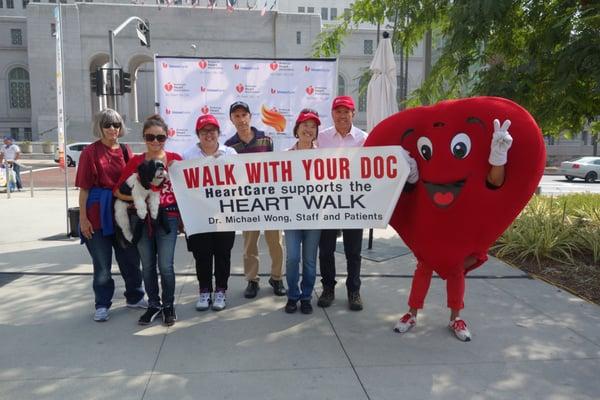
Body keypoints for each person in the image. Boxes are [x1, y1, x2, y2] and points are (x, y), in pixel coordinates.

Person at [393, 119, 513, 341]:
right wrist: (408, 172)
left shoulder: (473, 162)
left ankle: (455, 317)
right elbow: (412, 190)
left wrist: (498, 158)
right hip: (431, 223)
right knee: (424, 266)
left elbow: (494, 184)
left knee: (456, 267)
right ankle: (412, 313)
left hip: (458, 225)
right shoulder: (425, 159)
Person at [75, 108, 146, 322]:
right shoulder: (90, 152)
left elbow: (135, 181)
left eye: (116, 125)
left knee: (130, 259)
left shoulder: (125, 151)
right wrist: (83, 219)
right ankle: (103, 303)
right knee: (102, 264)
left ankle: (135, 296)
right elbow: (84, 189)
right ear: (100, 127)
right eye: (107, 125)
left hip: (122, 213)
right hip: (96, 215)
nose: (112, 129)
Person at [114, 114, 182, 326]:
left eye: (160, 138)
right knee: (148, 265)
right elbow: (118, 190)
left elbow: (189, 192)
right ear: (144, 138)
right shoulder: (136, 161)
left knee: (166, 266)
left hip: (167, 218)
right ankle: (154, 304)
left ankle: (168, 305)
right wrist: (138, 196)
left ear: (166, 137)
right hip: (141, 220)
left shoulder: (175, 160)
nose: (155, 141)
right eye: (150, 137)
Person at [224, 101, 287, 299]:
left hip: (268, 198)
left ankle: (277, 277)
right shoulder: (228, 146)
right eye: (237, 116)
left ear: (250, 116)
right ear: (232, 119)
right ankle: (252, 279)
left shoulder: (265, 139)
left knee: (275, 241)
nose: (241, 119)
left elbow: (272, 167)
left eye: (244, 115)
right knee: (249, 243)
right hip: (246, 201)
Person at [315, 96, 369, 311]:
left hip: (354, 202)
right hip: (327, 201)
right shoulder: (322, 138)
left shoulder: (364, 138)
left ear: (353, 114)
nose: (342, 115)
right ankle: (328, 288)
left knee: (353, 251)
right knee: (326, 250)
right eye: (338, 111)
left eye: (346, 111)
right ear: (332, 114)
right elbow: (302, 159)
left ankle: (353, 291)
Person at [183, 114, 237, 311]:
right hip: (198, 216)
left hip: (224, 214)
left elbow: (241, 179)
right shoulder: (187, 156)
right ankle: (204, 291)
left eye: (212, 130)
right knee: (202, 255)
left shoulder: (230, 152)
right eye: (204, 131)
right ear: (198, 134)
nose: (208, 135)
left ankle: (221, 291)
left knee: (223, 254)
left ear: (218, 133)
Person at [283, 109, 322, 314]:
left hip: (315, 218)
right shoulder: (285, 157)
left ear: (316, 132)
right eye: (305, 125)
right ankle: (292, 295)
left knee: (309, 260)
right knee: (292, 258)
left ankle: (306, 296)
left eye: (313, 126)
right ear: (297, 130)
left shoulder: (324, 157)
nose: (309, 129)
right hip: (291, 219)